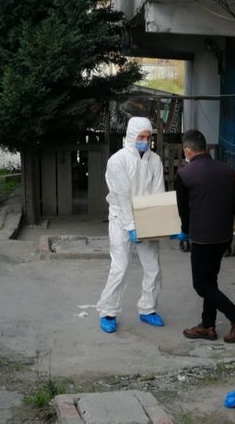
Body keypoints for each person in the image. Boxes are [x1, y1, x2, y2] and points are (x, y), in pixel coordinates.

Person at [173, 129, 235, 343]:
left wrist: (185, 231)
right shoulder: (225, 169)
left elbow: (184, 211)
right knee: (210, 281)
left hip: (202, 239)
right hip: (224, 237)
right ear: (204, 147)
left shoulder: (184, 175)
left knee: (201, 285)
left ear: (187, 150)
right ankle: (207, 325)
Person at [96, 117, 165, 333]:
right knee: (120, 267)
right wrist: (131, 225)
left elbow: (158, 193)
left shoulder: (155, 160)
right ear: (131, 136)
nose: (145, 141)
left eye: (148, 137)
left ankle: (148, 309)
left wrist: (162, 224)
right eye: (141, 137)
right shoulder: (118, 161)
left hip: (146, 219)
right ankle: (108, 311)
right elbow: (123, 196)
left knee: (153, 267)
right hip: (120, 218)